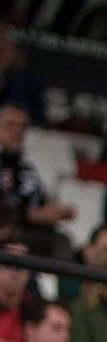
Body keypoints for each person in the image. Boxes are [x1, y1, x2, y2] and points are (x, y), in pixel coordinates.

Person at [0, 104, 75, 250]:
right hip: (6, 228)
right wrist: (28, 214)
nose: (17, 131)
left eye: (23, 127)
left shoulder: (25, 166)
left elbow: (37, 201)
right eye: (10, 125)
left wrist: (56, 211)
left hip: (24, 231)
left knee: (62, 241)